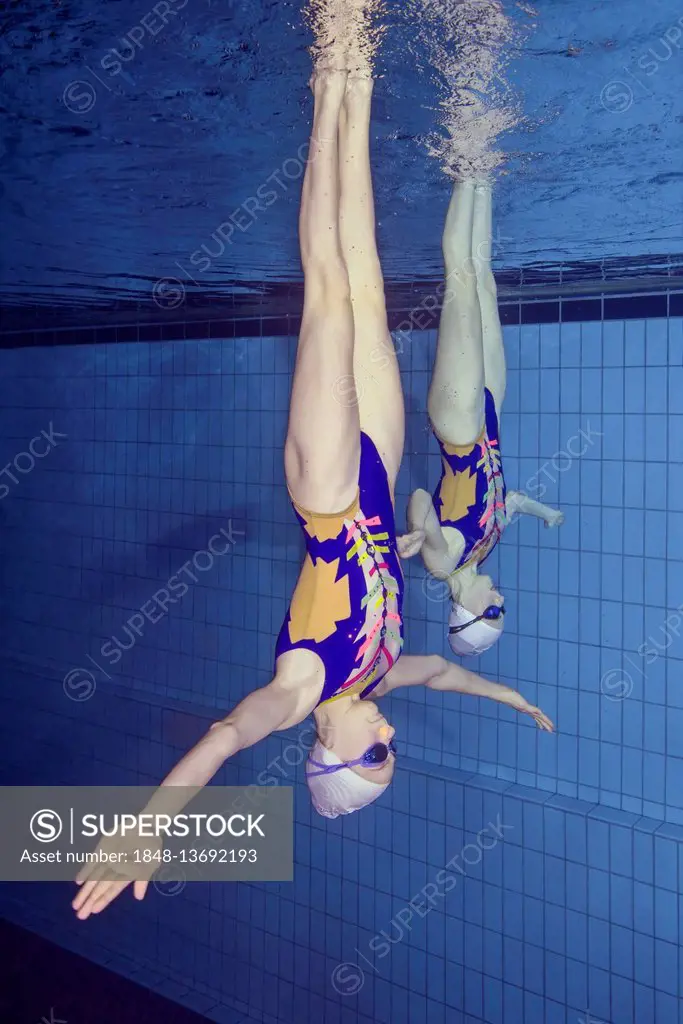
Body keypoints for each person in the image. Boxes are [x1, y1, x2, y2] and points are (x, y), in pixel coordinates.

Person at [72, 25, 553, 923]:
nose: (385, 740)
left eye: (372, 757)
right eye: (390, 755)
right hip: (378, 465)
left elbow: (222, 739)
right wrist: (512, 695)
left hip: (329, 492)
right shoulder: (376, 680)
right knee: (367, 283)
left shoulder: (299, 694)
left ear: (323, 751)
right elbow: (446, 678)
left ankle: (326, 77)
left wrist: (151, 825)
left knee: (325, 286)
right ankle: (351, 69)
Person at [404, 180, 565, 657]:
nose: (500, 601)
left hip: (457, 425)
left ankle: (461, 168)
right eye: (502, 611)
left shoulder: (444, 561)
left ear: (464, 613)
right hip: (489, 418)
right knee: (485, 280)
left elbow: (417, 499)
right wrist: (545, 513)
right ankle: (483, 175)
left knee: (462, 279)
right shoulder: (482, 550)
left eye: (492, 612)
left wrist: (421, 529)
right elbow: (507, 501)